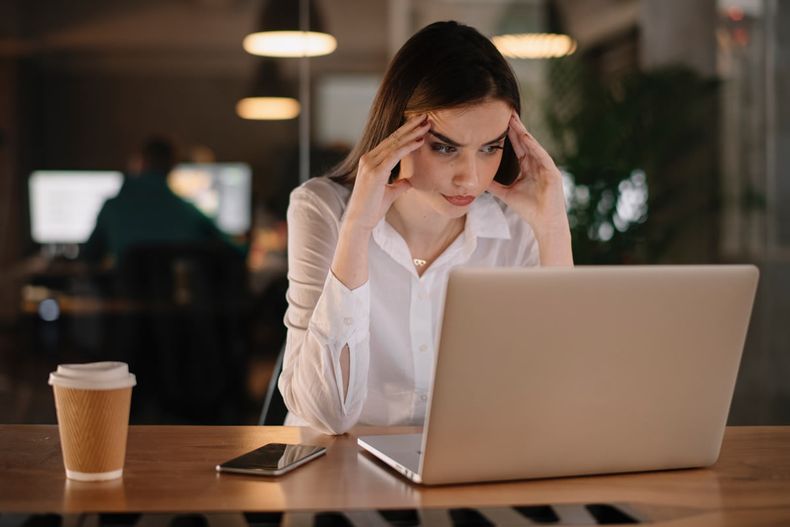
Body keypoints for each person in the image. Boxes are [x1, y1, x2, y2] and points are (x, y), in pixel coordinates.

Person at [279, 21, 574, 435]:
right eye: (445, 147)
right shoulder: (322, 210)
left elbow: (558, 401)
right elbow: (328, 415)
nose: (470, 179)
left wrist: (554, 229)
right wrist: (358, 228)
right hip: (335, 469)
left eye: (490, 147)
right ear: (396, 133)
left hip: (465, 469)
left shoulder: (520, 227)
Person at [82, 137, 229, 265]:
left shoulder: (112, 208)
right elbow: (233, 251)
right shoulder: (189, 213)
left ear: (139, 163)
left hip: (125, 296)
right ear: (173, 167)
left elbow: (88, 257)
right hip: (179, 295)